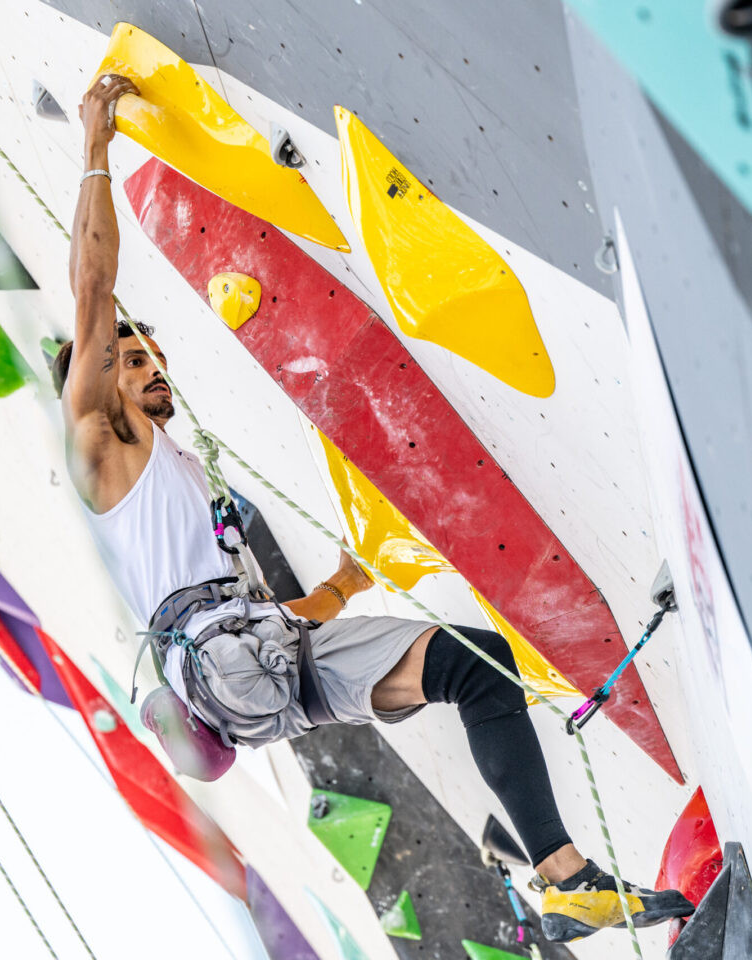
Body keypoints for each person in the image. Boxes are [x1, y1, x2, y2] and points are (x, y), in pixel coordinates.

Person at [56, 74, 694, 942]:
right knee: (451, 665)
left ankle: (566, 879)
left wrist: (347, 584)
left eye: (151, 352)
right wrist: (95, 139)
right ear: (93, 381)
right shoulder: (102, 448)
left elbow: (263, 617)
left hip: (264, 668)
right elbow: (93, 289)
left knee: (477, 666)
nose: (149, 362)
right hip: (238, 666)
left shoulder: (166, 477)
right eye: (132, 358)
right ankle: (560, 875)